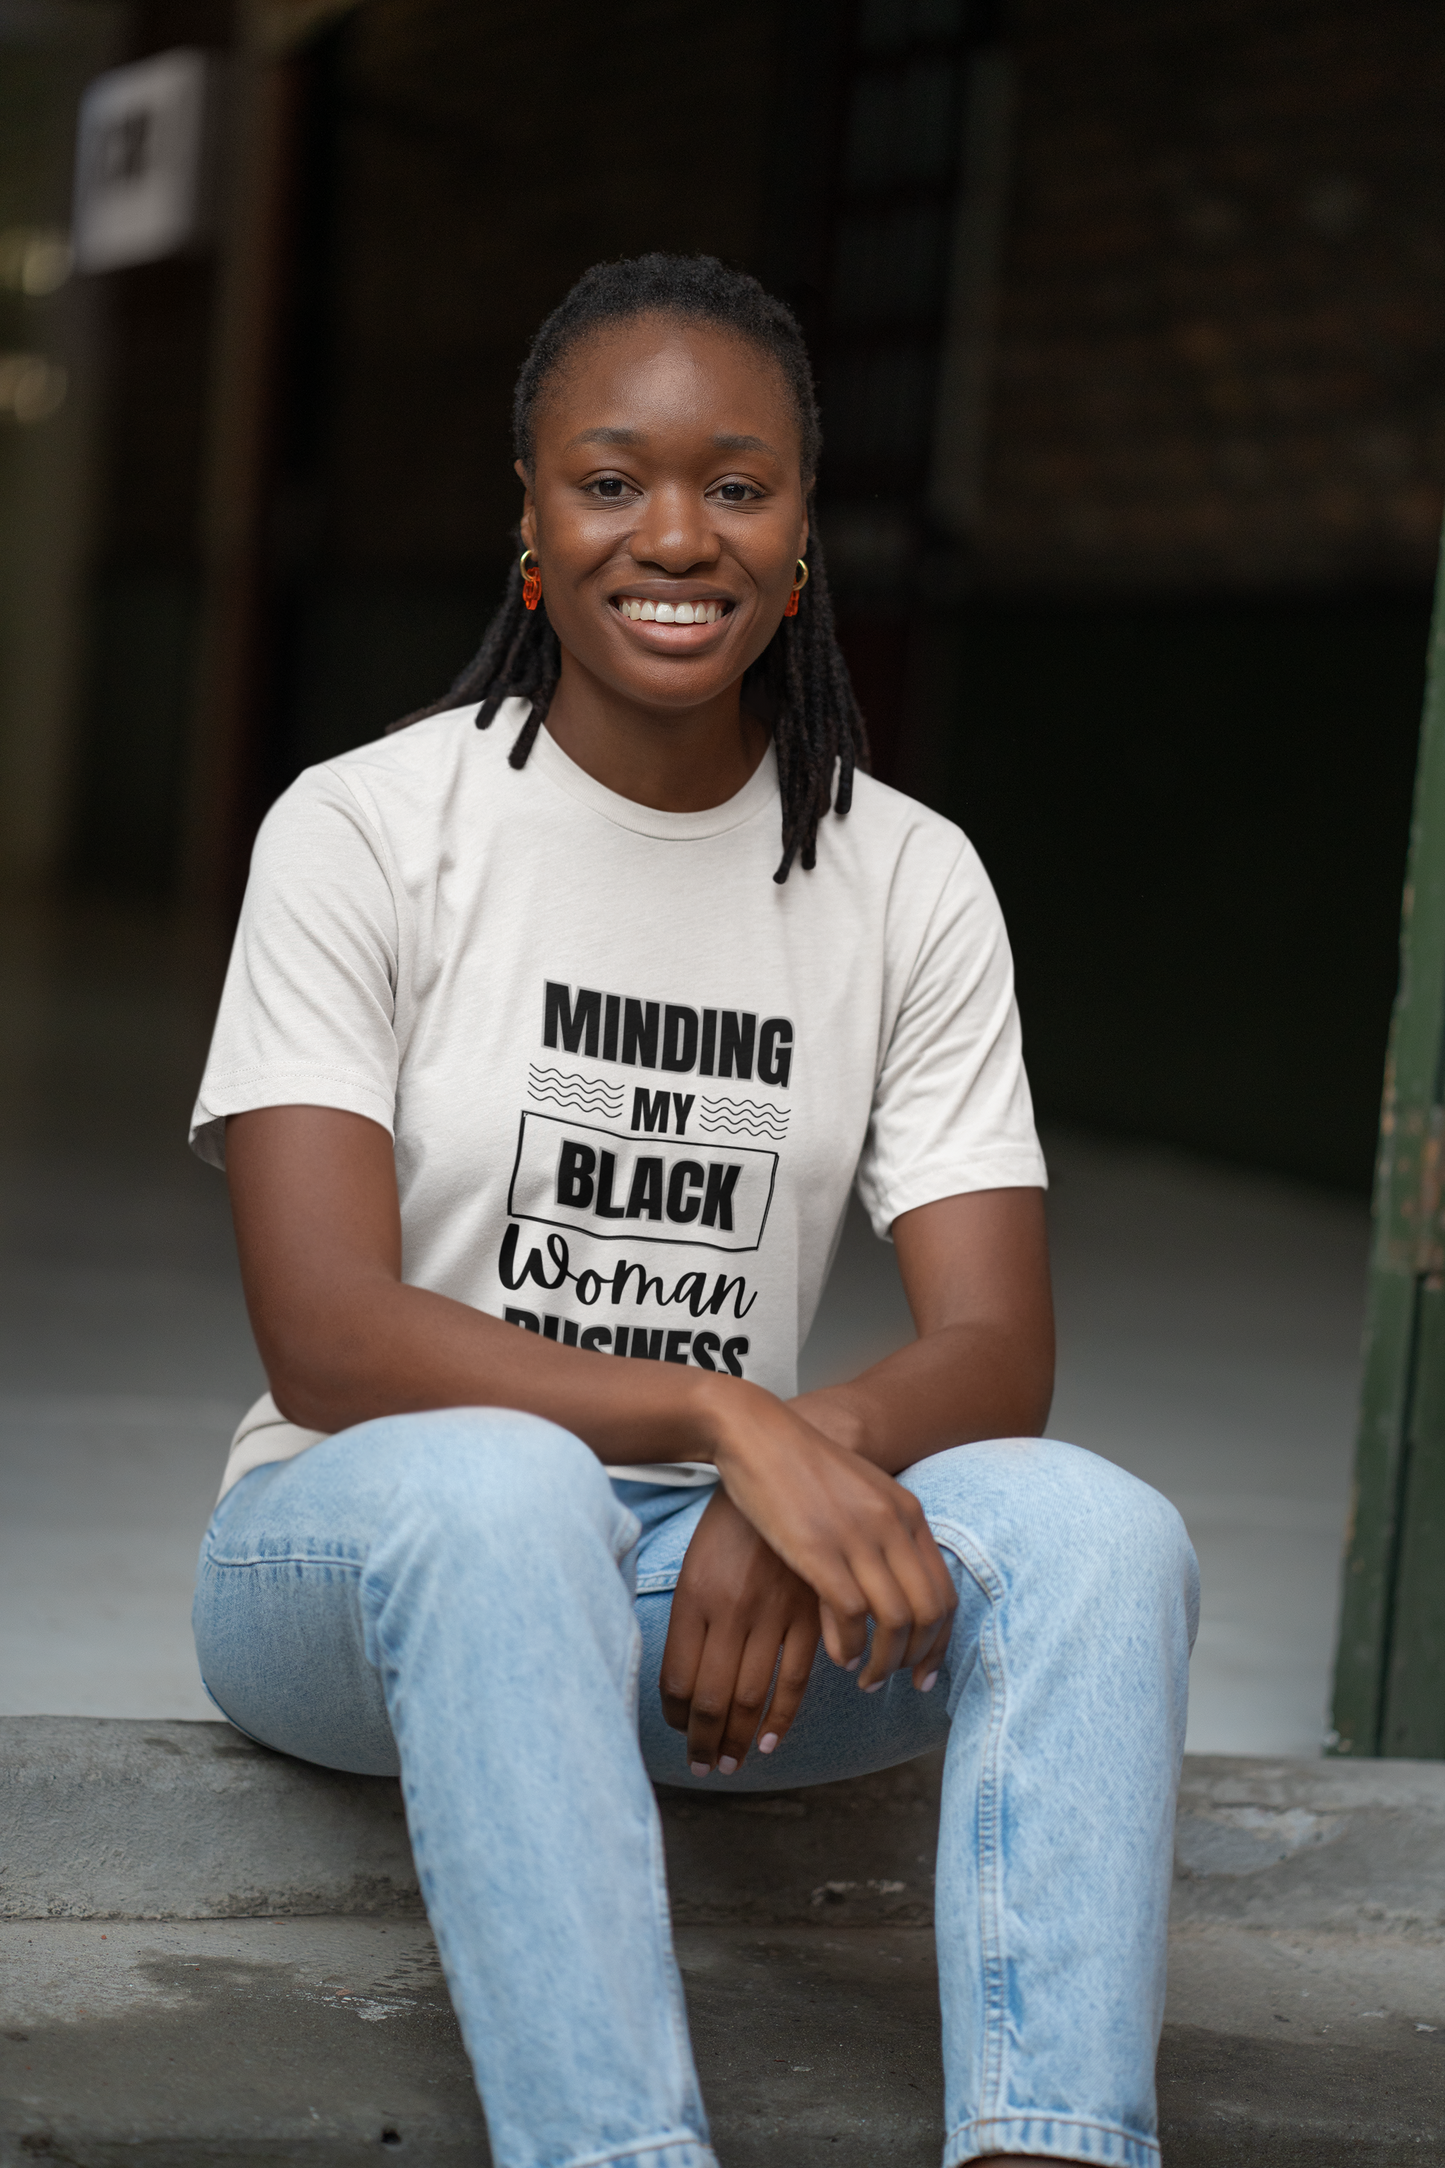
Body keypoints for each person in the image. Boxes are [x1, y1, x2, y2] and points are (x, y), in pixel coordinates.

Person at [190, 252, 1197, 2168]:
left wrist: (782, 1470)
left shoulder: (907, 879)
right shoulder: (366, 828)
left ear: (804, 529)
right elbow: (322, 1331)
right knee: (502, 1488)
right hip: (366, 1555)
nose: (675, 534)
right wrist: (732, 1421)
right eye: (610, 480)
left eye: (737, 486)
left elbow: (1002, 1346)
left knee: (1100, 1535)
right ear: (533, 522)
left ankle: (1052, 2145)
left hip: (708, 1610)